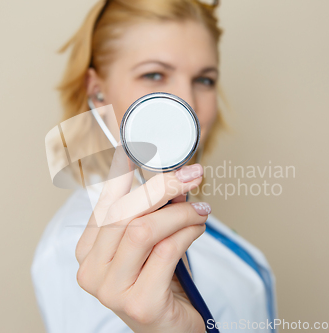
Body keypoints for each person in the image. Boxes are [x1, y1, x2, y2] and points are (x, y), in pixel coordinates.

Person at [32, 0, 276, 332]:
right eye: (154, 74)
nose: (187, 104)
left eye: (204, 80)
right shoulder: (73, 251)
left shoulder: (169, 204)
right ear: (97, 92)